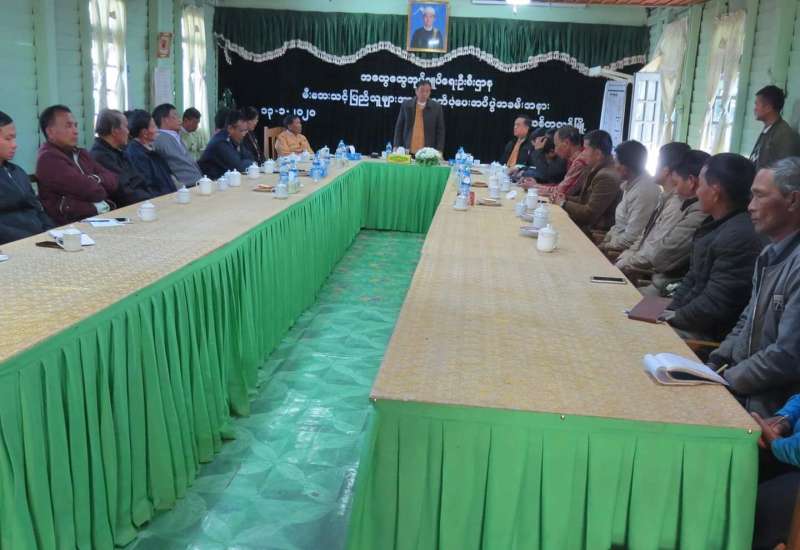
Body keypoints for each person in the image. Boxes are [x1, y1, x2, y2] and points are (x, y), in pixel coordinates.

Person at [706, 157, 800, 418]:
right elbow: (746, 321)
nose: (750, 207)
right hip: (741, 386)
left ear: (793, 200)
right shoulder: (769, 253)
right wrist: (714, 362)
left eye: (760, 196)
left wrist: (728, 380)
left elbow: (786, 356)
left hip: (770, 409)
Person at [663, 153, 766, 341]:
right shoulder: (716, 224)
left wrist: (673, 317)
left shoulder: (738, 236)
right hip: (687, 320)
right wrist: (669, 311)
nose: (697, 192)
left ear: (715, 191)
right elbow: (692, 278)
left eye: (701, 185)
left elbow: (715, 305)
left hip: (703, 334)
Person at [618, 148, 710, 295]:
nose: (676, 190)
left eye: (677, 183)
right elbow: (647, 238)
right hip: (659, 282)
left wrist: (626, 261)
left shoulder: (696, 211)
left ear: (692, 182)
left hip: (663, 289)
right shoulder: (679, 201)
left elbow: (660, 255)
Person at [36, 105, 118, 225]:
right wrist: (100, 183)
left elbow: (114, 180)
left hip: (96, 218)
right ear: (50, 132)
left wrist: (93, 179)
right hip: (68, 225)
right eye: (68, 126)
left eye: (75, 125)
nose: (75, 131)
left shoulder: (80, 153)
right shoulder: (48, 158)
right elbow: (93, 192)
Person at [750, 395, 800, 549]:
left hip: (792, 452)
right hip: (791, 449)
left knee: (759, 509)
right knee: (746, 455)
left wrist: (776, 443)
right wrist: (784, 420)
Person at [551, 130, 621, 235]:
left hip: (595, 233)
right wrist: (565, 198)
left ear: (598, 154)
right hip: (586, 227)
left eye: (585, 149)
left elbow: (590, 214)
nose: (582, 153)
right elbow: (583, 200)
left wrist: (563, 203)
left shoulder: (606, 176)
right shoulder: (595, 167)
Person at [0, 110, 53, 244]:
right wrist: (30, 240)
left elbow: (38, 209)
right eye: (8, 139)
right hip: (13, 246)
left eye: (14, 138)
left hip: (39, 240)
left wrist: (51, 232)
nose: (15, 145)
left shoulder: (17, 172)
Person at [90, 108, 163, 205]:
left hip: (143, 201)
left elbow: (139, 180)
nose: (128, 132)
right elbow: (124, 192)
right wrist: (152, 201)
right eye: (126, 127)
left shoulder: (119, 151)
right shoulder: (101, 157)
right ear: (114, 131)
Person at [600, 140, 660, 254]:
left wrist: (604, 246)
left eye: (616, 162)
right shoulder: (630, 183)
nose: (614, 166)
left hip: (623, 253)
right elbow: (619, 226)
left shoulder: (644, 192)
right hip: (614, 244)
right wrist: (605, 240)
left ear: (626, 168)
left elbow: (631, 238)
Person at [124, 110, 177, 197]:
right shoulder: (136, 155)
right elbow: (149, 188)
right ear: (144, 133)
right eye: (154, 126)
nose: (157, 130)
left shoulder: (150, 150)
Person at [521, 125, 586, 195]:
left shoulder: (580, 162)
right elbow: (560, 185)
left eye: (556, 145)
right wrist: (536, 185)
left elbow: (561, 191)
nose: (555, 150)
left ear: (566, 143)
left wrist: (534, 186)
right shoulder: (572, 159)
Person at [750, 85, 800, 171]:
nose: (755, 109)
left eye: (757, 104)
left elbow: (786, 173)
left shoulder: (785, 135)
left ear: (768, 108)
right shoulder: (768, 130)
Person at [152, 103, 202, 187]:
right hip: (185, 186)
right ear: (165, 120)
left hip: (198, 182)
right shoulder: (159, 139)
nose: (180, 120)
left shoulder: (175, 135)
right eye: (176, 116)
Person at [392, 80, 445, 154]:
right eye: (422, 91)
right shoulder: (406, 105)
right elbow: (399, 127)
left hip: (427, 152)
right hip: (407, 149)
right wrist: (396, 145)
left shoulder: (436, 107)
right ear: (416, 91)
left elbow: (440, 130)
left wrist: (439, 149)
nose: (424, 94)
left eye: (427, 91)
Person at [198, 109, 252, 179]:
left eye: (246, 130)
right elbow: (239, 167)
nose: (244, 134)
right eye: (242, 131)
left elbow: (251, 157)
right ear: (230, 129)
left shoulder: (234, 138)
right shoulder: (220, 142)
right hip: (212, 182)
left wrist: (247, 162)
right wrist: (247, 162)